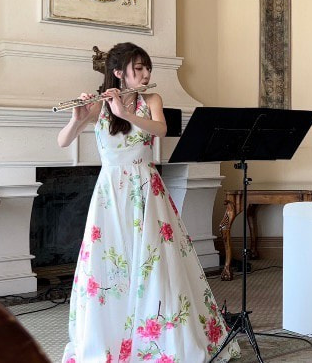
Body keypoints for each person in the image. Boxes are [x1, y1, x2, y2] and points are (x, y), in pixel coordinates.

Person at [58, 43, 239, 362]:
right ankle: (112, 337)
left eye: (147, 68)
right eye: (138, 68)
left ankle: (160, 337)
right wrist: (77, 117)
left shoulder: (151, 100)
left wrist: (125, 113)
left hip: (145, 188)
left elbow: (161, 129)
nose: (145, 74)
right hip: (111, 193)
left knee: (155, 260)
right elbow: (64, 141)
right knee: (112, 262)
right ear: (118, 73)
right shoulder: (100, 105)